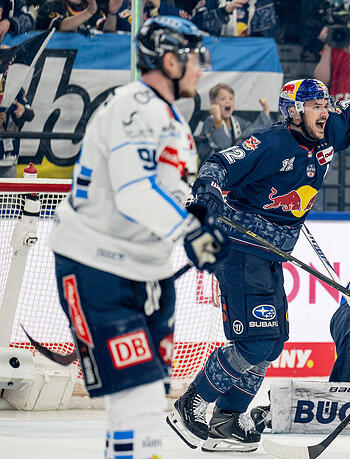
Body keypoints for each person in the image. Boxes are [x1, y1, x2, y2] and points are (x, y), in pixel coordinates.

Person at [166, 19, 350, 453]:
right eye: (315, 105)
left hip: (270, 257)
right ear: (292, 112)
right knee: (257, 339)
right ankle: (193, 403)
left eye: (325, 103)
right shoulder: (269, 143)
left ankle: (227, 421)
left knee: (272, 341)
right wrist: (207, 192)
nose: (325, 111)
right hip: (241, 253)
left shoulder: (324, 137)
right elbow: (218, 164)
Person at [46, 16, 230, 459]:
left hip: (146, 270)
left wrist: (198, 213)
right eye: (194, 58)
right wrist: (191, 232)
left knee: (143, 400)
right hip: (98, 267)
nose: (201, 69)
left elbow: (164, 190)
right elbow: (133, 192)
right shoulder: (133, 106)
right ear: (169, 60)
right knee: (136, 399)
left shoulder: (169, 118)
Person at [198, 82, 272, 163]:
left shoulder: (236, 121)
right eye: (223, 99)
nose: (228, 102)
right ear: (213, 102)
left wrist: (266, 110)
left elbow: (255, 131)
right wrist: (217, 120)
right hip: (213, 169)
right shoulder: (210, 122)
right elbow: (223, 144)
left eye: (231, 99)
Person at [191, 0, 278, 37]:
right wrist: (225, 10)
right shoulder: (212, 1)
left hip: (252, 58)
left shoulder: (262, 3)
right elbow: (196, 26)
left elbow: (268, 33)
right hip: (218, 58)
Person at [0, 89, 34, 178]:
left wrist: (23, 110)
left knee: (9, 190)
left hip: (8, 157)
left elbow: (30, 115)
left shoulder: (16, 85)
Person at [36, 0, 104, 32]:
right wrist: (89, 12)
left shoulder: (96, 6)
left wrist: (112, 13)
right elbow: (59, 26)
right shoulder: (50, 5)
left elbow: (106, 32)